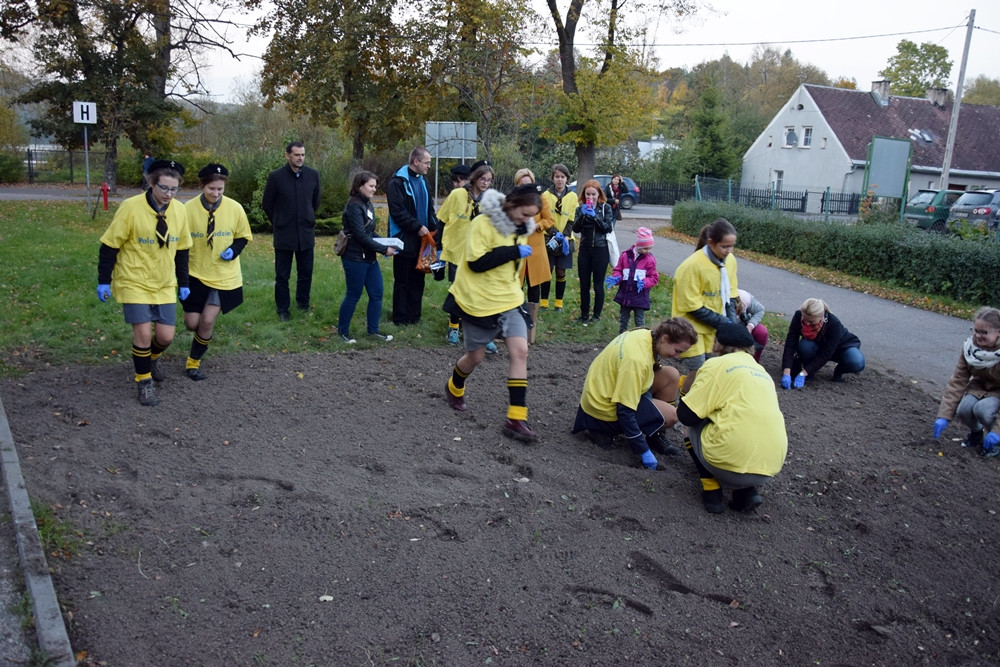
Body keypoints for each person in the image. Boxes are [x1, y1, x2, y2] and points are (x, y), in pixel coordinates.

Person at [443, 184, 541, 442]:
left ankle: (516, 419)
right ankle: (454, 386)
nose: (528, 220)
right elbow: (476, 263)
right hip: (478, 301)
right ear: (512, 204)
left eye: (532, 215)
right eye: (525, 214)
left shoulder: (522, 228)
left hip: (508, 299)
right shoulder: (482, 224)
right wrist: (512, 251)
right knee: (475, 358)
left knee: (520, 351)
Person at [96, 159, 191, 406]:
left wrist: (183, 282)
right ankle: (144, 381)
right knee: (143, 336)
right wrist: (103, 281)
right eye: (164, 188)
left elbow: (182, 250)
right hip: (134, 280)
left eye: (174, 189)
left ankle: (149, 360)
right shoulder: (130, 208)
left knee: (166, 336)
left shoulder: (179, 211)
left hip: (163, 282)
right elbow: (109, 246)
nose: (169, 194)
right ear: (151, 183)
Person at [677, 322, 788, 514]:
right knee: (740, 424)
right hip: (769, 467)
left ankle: (711, 488)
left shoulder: (715, 365)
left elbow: (686, 415)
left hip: (725, 462)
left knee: (692, 423)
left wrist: (684, 391)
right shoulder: (762, 372)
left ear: (718, 344)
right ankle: (745, 492)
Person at [572, 318, 698, 469]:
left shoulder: (645, 335)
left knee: (671, 375)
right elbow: (625, 411)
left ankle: (655, 433)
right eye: (677, 351)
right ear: (665, 338)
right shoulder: (635, 361)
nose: (677, 357)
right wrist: (642, 450)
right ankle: (601, 431)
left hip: (608, 389)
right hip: (603, 410)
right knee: (672, 416)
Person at [180, 163, 252, 380]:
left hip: (223, 276)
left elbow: (242, 237)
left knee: (208, 321)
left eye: (220, 189)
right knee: (192, 323)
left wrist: (233, 250)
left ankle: (193, 362)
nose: (216, 193)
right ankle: (200, 337)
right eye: (211, 188)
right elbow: (180, 243)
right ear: (202, 185)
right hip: (196, 273)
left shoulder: (235, 208)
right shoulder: (187, 209)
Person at [671, 218, 739, 395]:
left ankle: (699, 406)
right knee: (698, 370)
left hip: (712, 329)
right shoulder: (691, 266)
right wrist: (723, 322)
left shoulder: (730, 261)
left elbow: (730, 297)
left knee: (711, 370)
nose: (729, 251)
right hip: (690, 328)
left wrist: (731, 325)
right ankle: (682, 408)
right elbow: (692, 306)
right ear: (711, 242)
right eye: (725, 246)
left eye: (732, 246)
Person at [437, 160, 497, 352]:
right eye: (482, 179)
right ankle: (453, 328)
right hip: (458, 252)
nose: (485, 183)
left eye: (489, 180)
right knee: (459, 291)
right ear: (474, 178)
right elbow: (441, 220)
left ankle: (482, 334)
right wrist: (439, 248)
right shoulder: (457, 195)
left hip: (480, 254)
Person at [262, 141, 321, 321]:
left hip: (305, 233)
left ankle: (303, 305)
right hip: (284, 234)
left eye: (303, 154)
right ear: (287, 155)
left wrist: (307, 217)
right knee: (282, 275)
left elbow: (315, 201)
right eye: (297, 155)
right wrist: (279, 221)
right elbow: (267, 204)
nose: (300, 158)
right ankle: (283, 310)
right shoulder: (276, 177)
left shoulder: (312, 175)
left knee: (305, 273)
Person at [336, 170, 397, 344]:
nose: (373, 189)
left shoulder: (368, 205)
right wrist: (384, 250)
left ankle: (373, 331)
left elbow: (370, 232)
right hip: (354, 257)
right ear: (359, 186)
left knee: (377, 293)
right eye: (370, 186)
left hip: (369, 258)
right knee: (353, 295)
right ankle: (343, 333)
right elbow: (360, 236)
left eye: (375, 186)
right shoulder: (354, 205)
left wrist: (388, 243)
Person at [933, 307, 1000, 456]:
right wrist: (943, 416)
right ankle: (976, 435)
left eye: (984, 332)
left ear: (998, 333)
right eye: (976, 330)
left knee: (982, 409)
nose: (978, 336)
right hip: (980, 387)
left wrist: (997, 431)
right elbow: (958, 381)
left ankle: (996, 442)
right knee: (964, 409)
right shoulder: (970, 349)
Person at [387, 146, 438, 326]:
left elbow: (430, 209)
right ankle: (400, 318)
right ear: (416, 162)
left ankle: (414, 316)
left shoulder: (425, 182)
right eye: (427, 163)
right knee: (403, 280)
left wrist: (434, 227)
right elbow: (397, 212)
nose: (429, 166)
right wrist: (417, 227)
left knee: (418, 279)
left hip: (422, 239)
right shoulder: (398, 183)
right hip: (404, 238)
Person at [780, 298, 864, 387]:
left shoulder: (834, 323)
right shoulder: (798, 316)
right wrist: (786, 372)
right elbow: (790, 344)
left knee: (856, 362)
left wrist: (802, 374)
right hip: (817, 346)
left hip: (842, 348)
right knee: (805, 346)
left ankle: (838, 372)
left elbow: (825, 354)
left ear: (821, 316)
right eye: (805, 319)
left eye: (811, 321)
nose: (807, 324)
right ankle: (809, 372)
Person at [514, 168, 554, 344]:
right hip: (517, 248)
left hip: (535, 248)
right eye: (523, 183)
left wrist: (537, 225)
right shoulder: (512, 200)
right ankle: (515, 324)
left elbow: (549, 220)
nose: (526, 186)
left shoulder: (541, 199)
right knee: (516, 286)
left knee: (534, 286)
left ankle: (531, 326)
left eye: (528, 183)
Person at [572, 179, 615, 323]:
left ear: (599, 194)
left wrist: (595, 217)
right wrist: (583, 215)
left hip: (600, 249)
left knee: (598, 285)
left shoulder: (605, 208)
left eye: (593, 194)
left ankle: (596, 315)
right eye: (587, 194)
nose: (590, 198)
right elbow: (576, 229)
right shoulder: (580, 208)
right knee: (584, 284)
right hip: (584, 249)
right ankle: (584, 314)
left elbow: (607, 227)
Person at [539, 164, 578, 311]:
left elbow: (572, 218)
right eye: (557, 177)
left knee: (561, 271)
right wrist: (555, 233)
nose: (560, 180)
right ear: (553, 178)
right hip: (549, 237)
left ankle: (558, 303)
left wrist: (565, 235)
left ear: (567, 179)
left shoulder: (573, 196)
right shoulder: (545, 195)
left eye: (562, 177)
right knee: (547, 270)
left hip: (566, 239)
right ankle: (543, 302)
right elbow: (543, 216)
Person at [606, 226, 659, 334]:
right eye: (645, 248)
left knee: (639, 320)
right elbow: (618, 269)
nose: (648, 251)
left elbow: (654, 277)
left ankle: (640, 337)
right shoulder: (625, 256)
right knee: (623, 318)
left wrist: (644, 283)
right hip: (626, 293)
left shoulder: (650, 260)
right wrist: (617, 277)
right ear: (638, 245)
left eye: (650, 248)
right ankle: (621, 336)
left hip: (640, 296)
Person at [736, 288, 769, 362]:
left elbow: (760, 310)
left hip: (743, 325)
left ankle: (754, 361)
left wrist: (750, 326)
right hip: (727, 329)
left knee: (761, 332)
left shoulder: (744, 297)